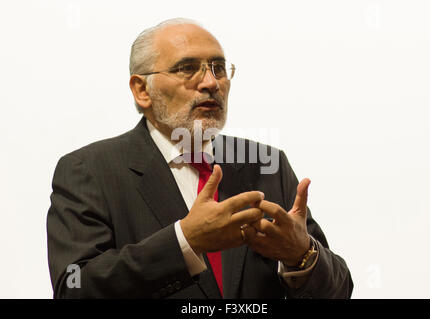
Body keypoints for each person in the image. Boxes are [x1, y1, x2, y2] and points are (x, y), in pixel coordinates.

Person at [46, 18, 353, 299]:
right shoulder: (89, 171)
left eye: (218, 68)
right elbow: (75, 288)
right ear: (142, 90)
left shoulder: (265, 164)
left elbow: (339, 291)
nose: (211, 83)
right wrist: (184, 242)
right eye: (187, 68)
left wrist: (302, 255)